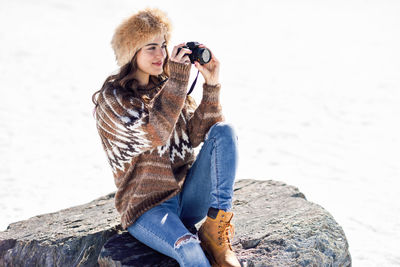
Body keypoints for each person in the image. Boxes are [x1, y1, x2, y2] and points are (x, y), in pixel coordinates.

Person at [92, 8, 240, 267]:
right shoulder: (112, 100)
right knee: (190, 250)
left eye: (163, 45)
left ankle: (217, 226)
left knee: (224, 132)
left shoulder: (167, 86)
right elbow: (155, 134)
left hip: (187, 198)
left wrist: (211, 85)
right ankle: (196, 240)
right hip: (146, 208)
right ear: (131, 52)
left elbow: (198, 134)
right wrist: (178, 81)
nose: (161, 54)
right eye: (151, 47)